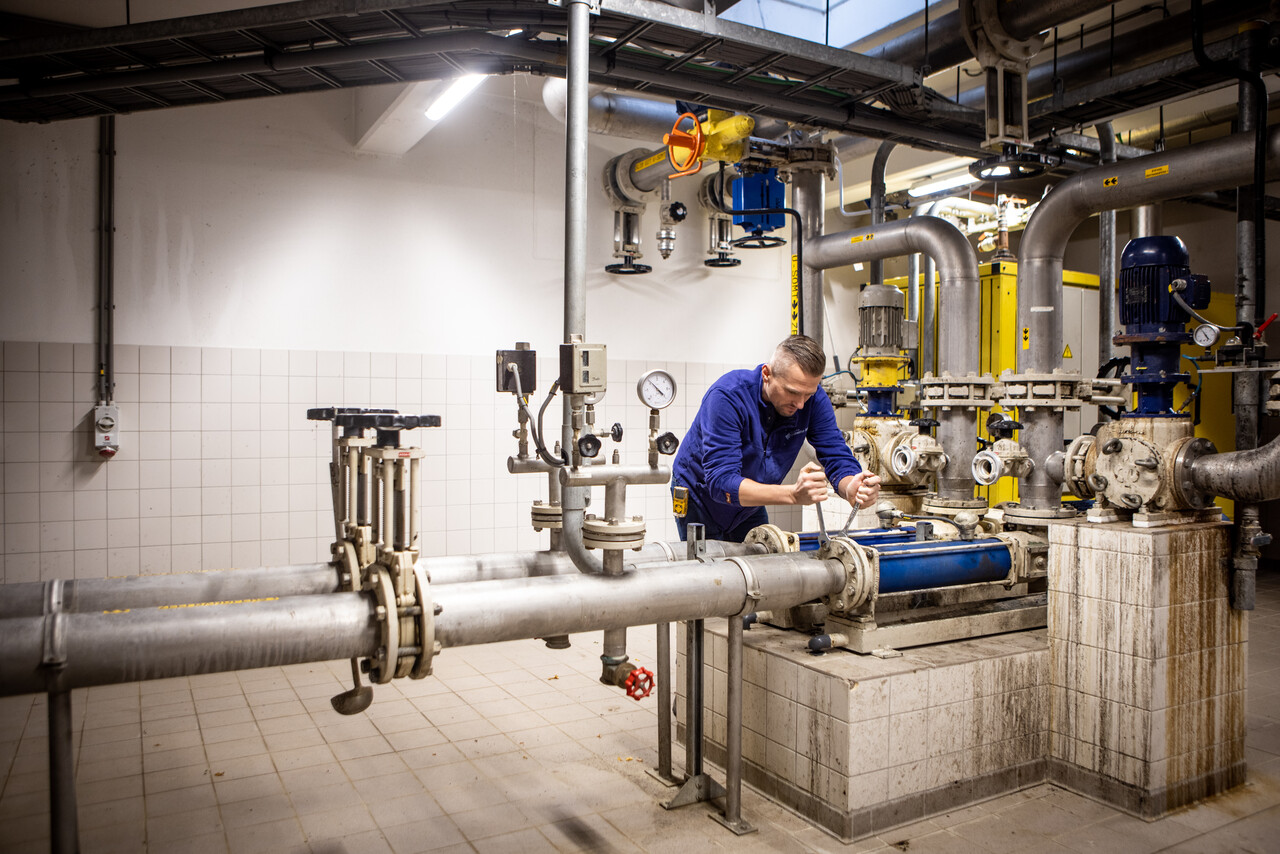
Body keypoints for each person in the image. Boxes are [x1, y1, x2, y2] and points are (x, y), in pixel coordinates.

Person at [672, 335, 881, 542]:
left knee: (758, 566)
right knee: (709, 570)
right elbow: (721, 482)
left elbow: (835, 454)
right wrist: (793, 495)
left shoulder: (813, 400)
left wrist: (850, 486)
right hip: (700, 499)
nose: (800, 404)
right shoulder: (727, 397)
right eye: (792, 392)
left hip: (749, 503)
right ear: (766, 374)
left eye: (808, 394)